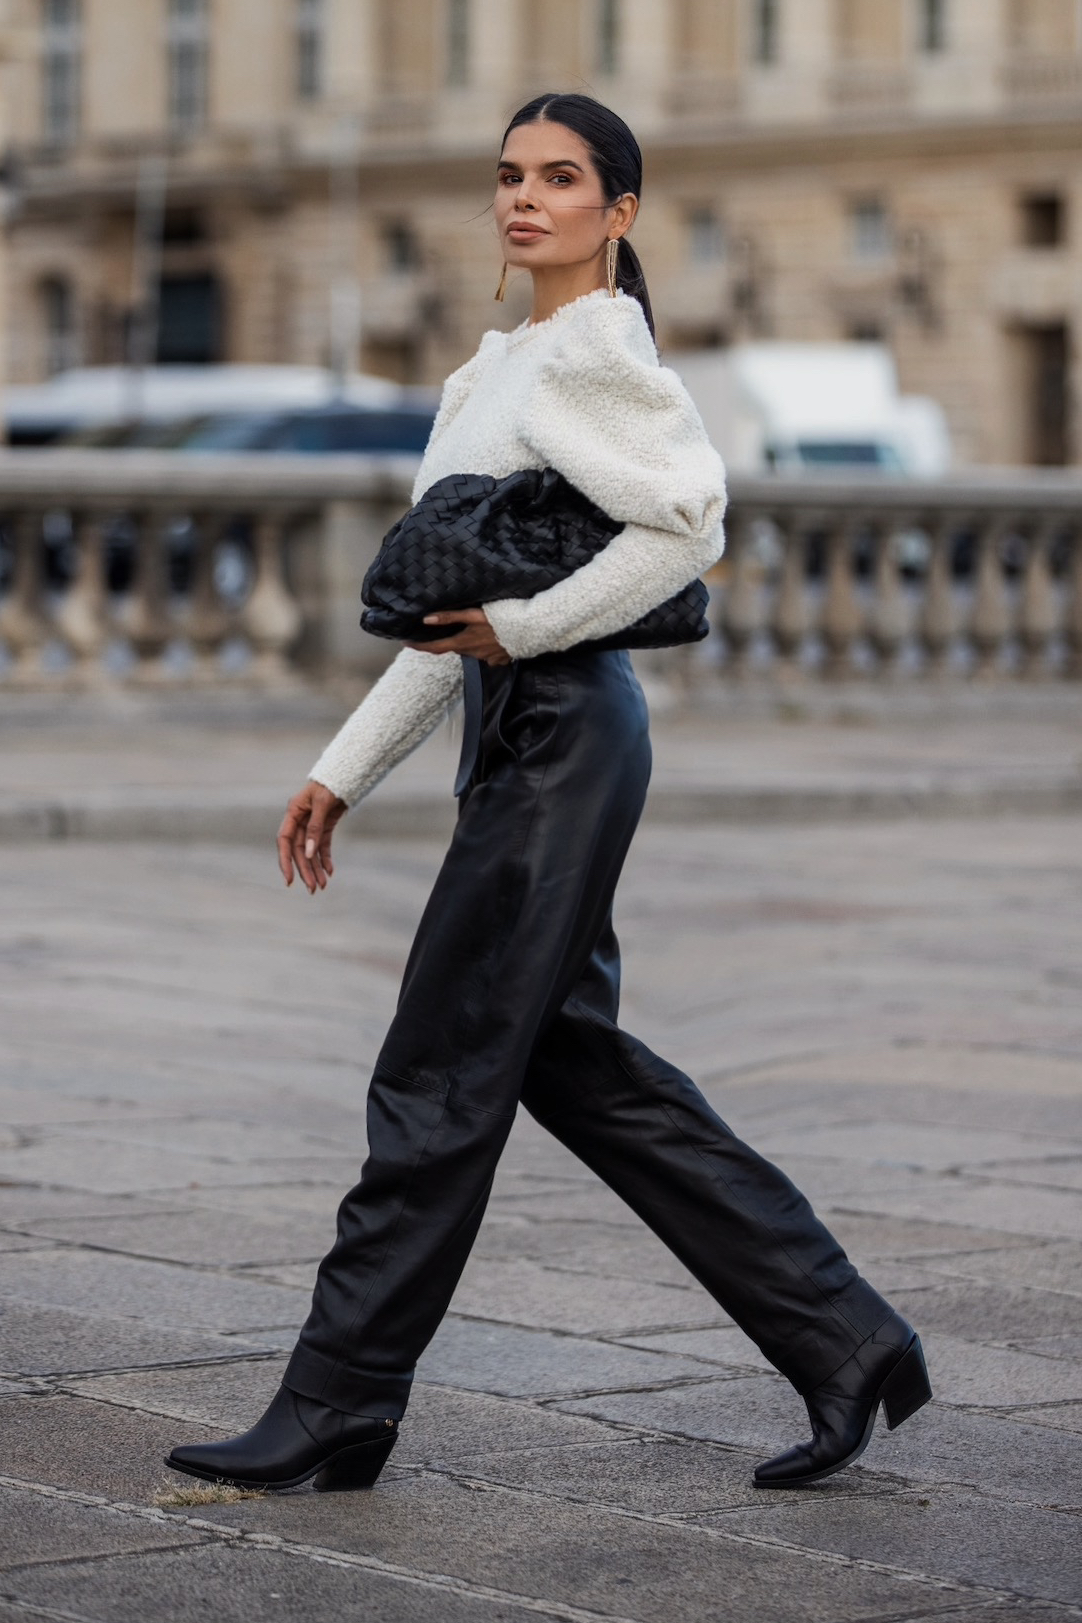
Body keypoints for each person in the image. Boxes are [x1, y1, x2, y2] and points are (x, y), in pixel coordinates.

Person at [166, 93, 930, 1496]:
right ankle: (846, 1340)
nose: (525, 198)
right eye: (511, 175)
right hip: (521, 725)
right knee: (575, 1066)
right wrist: (342, 769)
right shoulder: (491, 371)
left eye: (562, 178)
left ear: (618, 212)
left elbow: (688, 524)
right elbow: (450, 621)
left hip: (565, 733)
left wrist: (526, 631)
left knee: (440, 1065)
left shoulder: (594, 348)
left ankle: (338, 1398)